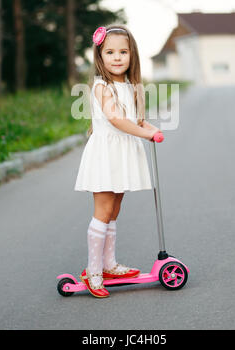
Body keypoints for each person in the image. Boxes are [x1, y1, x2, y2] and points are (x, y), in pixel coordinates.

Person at [74, 24, 161, 298]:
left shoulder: (132, 86)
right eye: (110, 52)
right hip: (106, 154)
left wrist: (151, 128)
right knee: (103, 210)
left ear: (132, 55)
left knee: (114, 210)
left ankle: (109, 264)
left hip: (123, 154)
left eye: (123, 51)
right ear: (99, 56)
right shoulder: (102, 86)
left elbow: (134, 119)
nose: (117, 57)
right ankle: (94, 270)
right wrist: (144, 133)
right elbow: (117, 120)